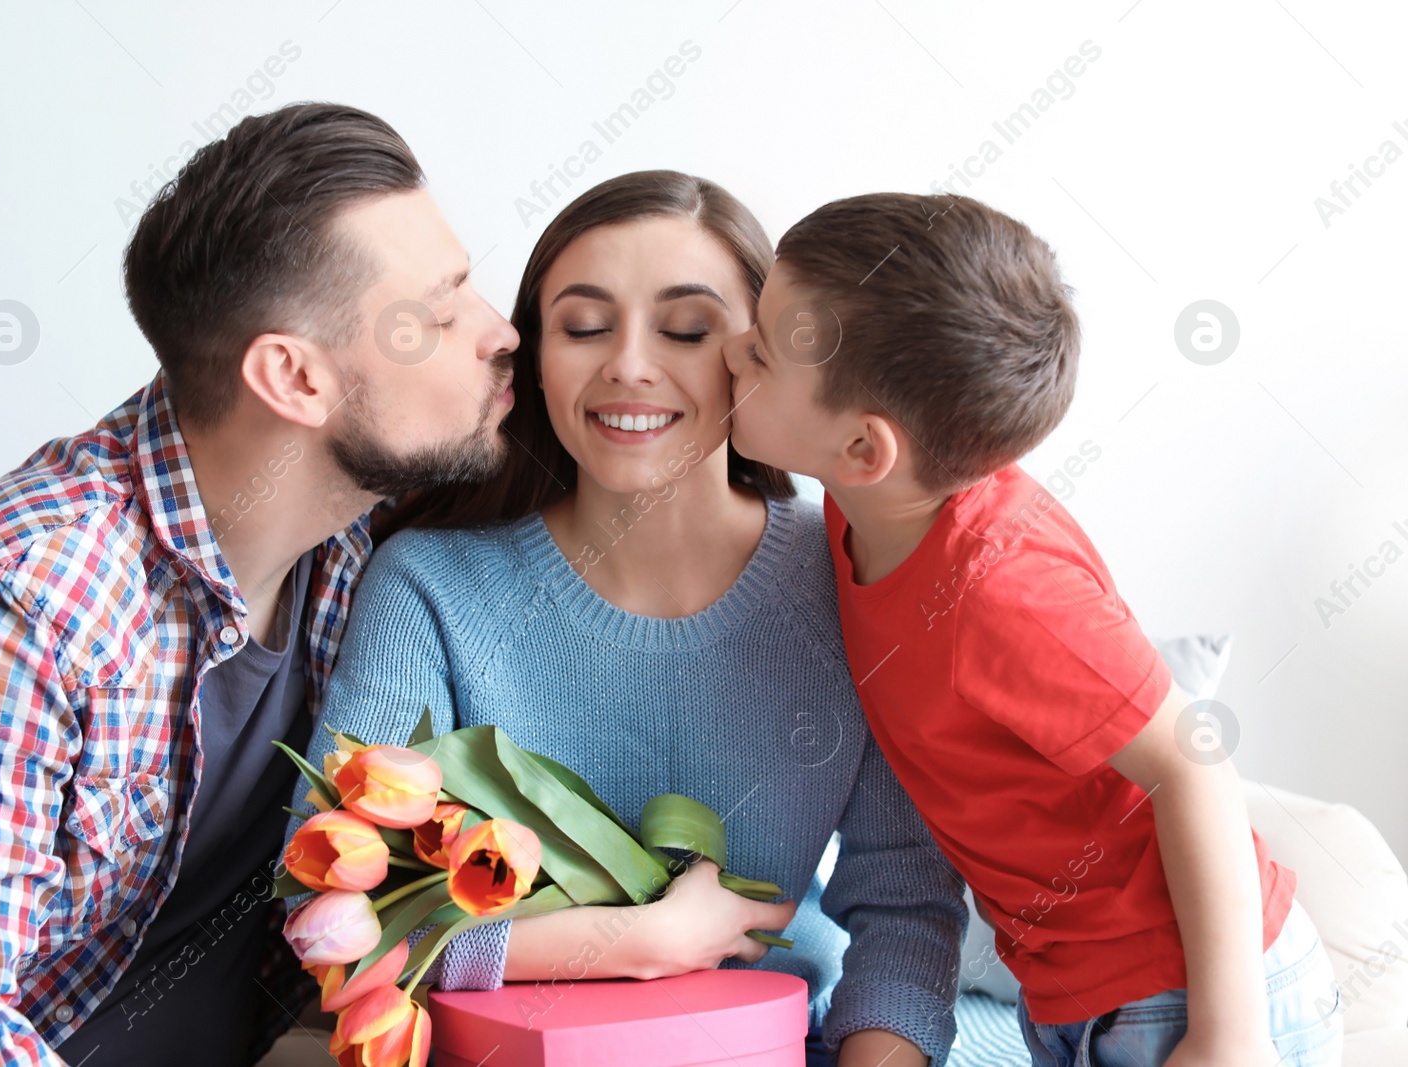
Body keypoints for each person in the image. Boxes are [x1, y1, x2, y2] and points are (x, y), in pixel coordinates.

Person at [0, 103, 519, 1066]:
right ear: (295, 379)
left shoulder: (365, 543)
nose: (499, 332)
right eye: (440, 315)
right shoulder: (26, 599)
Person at [292, 171, 967, 1067]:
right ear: (535, 356)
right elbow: (334, 915)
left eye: (688, 329)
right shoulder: (429, 585)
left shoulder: (856, 575)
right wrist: (641, 942)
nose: (630, 365)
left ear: (763, 358)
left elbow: (904, 909)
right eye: (583, 326)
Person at [719, 191, 1342, 1067]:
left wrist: (1228, 1036)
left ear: (866, 449)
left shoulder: (1002, 591)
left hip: (1190, 994)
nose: (729, 351)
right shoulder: (859, 511)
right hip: (1072, 996)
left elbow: (1191, 761)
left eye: (759, 351)